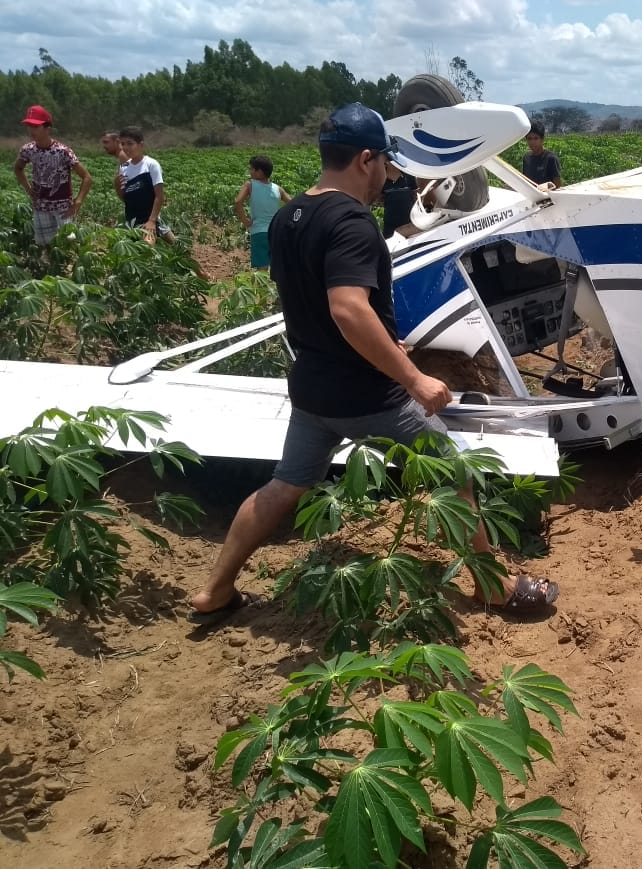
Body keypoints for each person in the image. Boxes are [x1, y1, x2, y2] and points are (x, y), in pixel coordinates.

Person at [189, 102, 559, 623]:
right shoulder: (352, 223)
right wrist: (412, 377)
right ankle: (494, 588)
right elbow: (346, 308)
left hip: (313, 388)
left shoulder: (289, 218)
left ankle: (215, 589)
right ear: (366, 159)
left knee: (283, 486)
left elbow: (313, 305)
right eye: (385, 163)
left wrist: (384, 338)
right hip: (368, 393)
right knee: (455, 476)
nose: (387, 175)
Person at [12, 105, 92, 245]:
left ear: (47, 128)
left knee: (68, 245)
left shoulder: (63, 151)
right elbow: (18, 168)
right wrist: (29, 190)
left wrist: (77, 202)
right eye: (29, 126)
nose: (31, 130)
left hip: (63, 208)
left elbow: (86, 177)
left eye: (36, 127)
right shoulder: (28, 150)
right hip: (40, 206)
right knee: (45, 245)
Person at [118, 126, 176, 244]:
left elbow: (159, 196)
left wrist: (152, 221)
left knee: (150, 249)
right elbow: (125, 196)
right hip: (132, 220)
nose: (126, 147)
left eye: (130, 143)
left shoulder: (151, 165)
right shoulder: (124, 168)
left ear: (141, 145)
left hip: (150, 218)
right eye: (123, 144)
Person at [234, 155, 292, 269]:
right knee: (277, 268)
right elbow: (293, 204)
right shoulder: (278, 188)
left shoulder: (250, 185)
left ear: (259, 171)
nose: (250, 172)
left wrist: (245, 221)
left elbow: (237, 202)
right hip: (276, 232)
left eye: (251, 169)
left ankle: (263, 287)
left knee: (262, 271)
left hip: (259, 232)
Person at [521, 121, 562, 188]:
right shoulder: (526, 158)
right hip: (531, 196)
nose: (532, 142)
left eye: (536, 138)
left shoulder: (551, 158)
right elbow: (526, 181)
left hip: (547, 197)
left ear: (542, 139)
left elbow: (557, 185)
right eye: (529, 138)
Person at [100, 131, 128, 199]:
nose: (104, 146)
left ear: (117, 141)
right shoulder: (123, 155)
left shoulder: (123, 155)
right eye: (103, 143)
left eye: (106, 142)